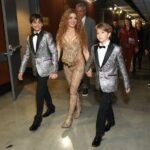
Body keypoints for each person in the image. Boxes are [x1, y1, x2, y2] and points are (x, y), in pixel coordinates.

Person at [85, 23, 130, 147]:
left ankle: (98, 134)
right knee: (107, 103)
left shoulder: (116, 49)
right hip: (99, 82)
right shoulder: (94, 48)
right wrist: (87, 69)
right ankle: (112, 121)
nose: (99, 35)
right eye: (98, 33)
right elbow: (89, 61)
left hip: (110, 82)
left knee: (102, 108)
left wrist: (126, 83)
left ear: (109, 34)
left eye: (103, 32)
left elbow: (122, 67)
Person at [18, 14, 58, 131]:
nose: (37, 24)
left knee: (39, 93)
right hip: (36, 69)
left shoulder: (47, 35)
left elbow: (54, 52)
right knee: (44, 89)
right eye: (34, 22)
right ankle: (51, 107)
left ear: (42, 23)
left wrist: (54, 69)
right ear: (31, 24)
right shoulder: (29, 37)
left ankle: (38, 118)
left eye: (39, 22)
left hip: (46, 68)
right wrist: (21, 70)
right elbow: (26, 55)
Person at [56, 8, 89, 128]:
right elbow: (58, 50)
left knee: (72, 90)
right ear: (66, 19)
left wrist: (89, 66)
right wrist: (55, 67)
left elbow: (85, 50)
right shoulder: (60, 33)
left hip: (79, 64)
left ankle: (69, 117)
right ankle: (78, 108)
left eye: (75, 18)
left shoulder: (81, 32)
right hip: (66, 65)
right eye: (70, 18)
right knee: (72, 90)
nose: (73, 20)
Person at [75, 2, 96, 96]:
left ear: (84, 11)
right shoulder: (74, 21)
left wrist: (89, 50)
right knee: (77, 69)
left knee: (86, 68)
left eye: (80, 11)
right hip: (75, 51)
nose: (78, 13)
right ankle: (78, 83)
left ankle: (86, 87)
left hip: (87, 50)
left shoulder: (91, 22)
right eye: (77, 11)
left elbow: (94, 38)